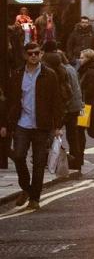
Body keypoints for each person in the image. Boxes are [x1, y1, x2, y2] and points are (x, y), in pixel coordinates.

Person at [3, 42, 65, 210]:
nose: (33, 56)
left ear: (41, 54)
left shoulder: (49, 75)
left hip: (41, 125)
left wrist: (58, 125)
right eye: (30, 53)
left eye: (36, 53)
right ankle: (26, 188)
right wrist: (5, 123)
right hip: (22, 124)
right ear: (25, 55)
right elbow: (10, 101)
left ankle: (34, 198)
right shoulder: (17, 75)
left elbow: (56, 101)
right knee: (18, 156)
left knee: (38, 163)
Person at [44, 51, 84, 170]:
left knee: (52, 133)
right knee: (73, 136)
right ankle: (76, 161)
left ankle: (61, 159)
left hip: (68, 107)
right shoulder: (71, 68)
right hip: (75, 106)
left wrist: (64, 108)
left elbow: (67, 91)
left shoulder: (62, 71)